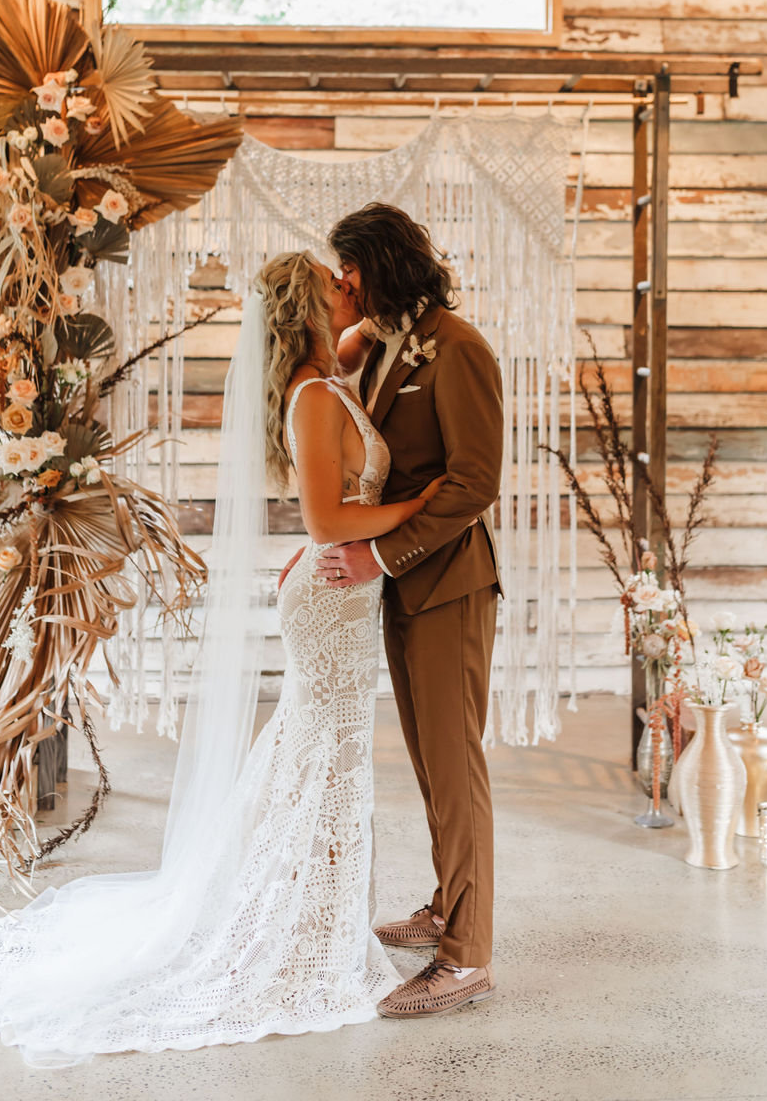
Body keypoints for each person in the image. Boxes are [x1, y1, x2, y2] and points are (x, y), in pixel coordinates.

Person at [0, 250, 441, 1065]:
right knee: (329, 755)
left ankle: (315, 917)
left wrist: (385, 306)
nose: (345, 289)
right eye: (332, 283)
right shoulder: (317, 399)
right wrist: (429, 502)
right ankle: (302, 934)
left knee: (322, 755)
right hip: (329, 594)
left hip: (340, 597)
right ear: (305, 309)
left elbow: (360, 337)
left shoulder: (330, 374)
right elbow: (326, 523)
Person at [321, 202, 504, 1019]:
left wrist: (377, 554)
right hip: (406, 587)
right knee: (431, 766)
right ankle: (446, 907)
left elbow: (474, 482)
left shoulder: (459, 350)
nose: (340, 282)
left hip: (450, 587)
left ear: (380, 262)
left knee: (456, 770)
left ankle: (465, 958)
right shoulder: (394, 338)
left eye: (347, 267)